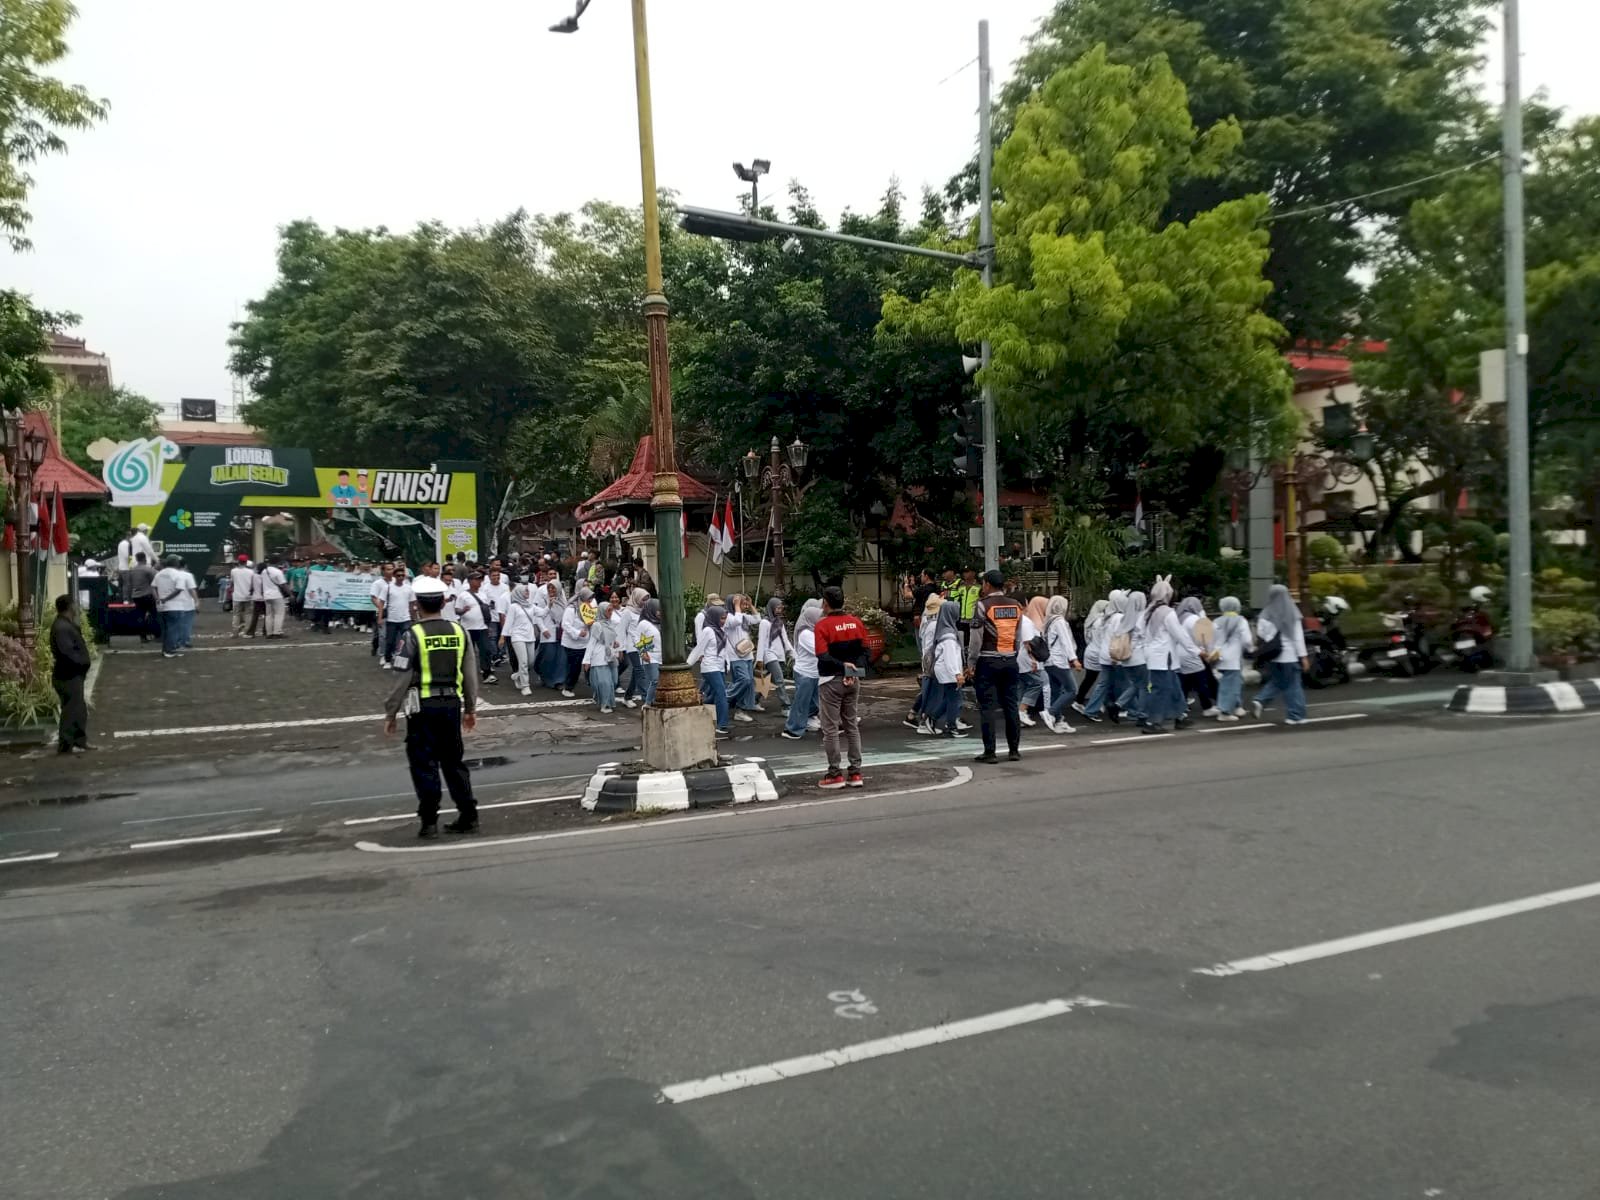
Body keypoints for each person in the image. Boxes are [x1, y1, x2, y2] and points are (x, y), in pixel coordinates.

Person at [383, 575, 479, 838]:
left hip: (422, 709)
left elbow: (401, 678)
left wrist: (391, 713)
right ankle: (468, 815)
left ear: (416, 605)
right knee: (454, 762)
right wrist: (470, 709)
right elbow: (470, 675)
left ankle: (429, 822)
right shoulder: (459, 632)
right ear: (444, 602)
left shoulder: (411, 635)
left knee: (424, 764)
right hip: (451, 705)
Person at [813, 587, 869, 789]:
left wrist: (842, 667)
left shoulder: (822, 625)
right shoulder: (856, 622)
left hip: (830, 680)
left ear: (825, 603)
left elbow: (822, 655)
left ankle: (834, 774)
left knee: (830, 729)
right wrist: (852, 670)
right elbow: (866, 651)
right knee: (851, 725)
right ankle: (855, 772)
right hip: (853, 680)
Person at [1140, 574, 1201, 734]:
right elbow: (1180, 635)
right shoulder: (1168, 613)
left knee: (1174, 687)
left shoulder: (1148, 611)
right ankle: (1153, 722)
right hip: (1164, 657)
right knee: (1161, 689)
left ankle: (1180, 716)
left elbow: (1140, 632)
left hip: (1154, 656)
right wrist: (1197, 651)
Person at [1252, 584, 1309, 725]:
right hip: (1289, 656)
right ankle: (1295, 716)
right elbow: (1298, 638)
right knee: (1293, 686)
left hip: (1273, 656)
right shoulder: (1292, 613)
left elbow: (1261, 634)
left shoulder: (1265, 613)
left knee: (1278, 681)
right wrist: (1303, 657)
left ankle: (1260, 700)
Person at [49, 595, 91, 753]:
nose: (77, 607)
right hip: (68, 675)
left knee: (78, 708)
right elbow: (67, 653)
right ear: (70, 606)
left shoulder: (65, 625)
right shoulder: (62, 627)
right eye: (74, 604)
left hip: (72, 674)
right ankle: (66, 744)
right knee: (71, 710)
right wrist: (81, 664)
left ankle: (79, 741)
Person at [687, 602, 732, 737]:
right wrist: (687, 665)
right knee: (721, 694)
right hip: (710, 666)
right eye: (722, 618)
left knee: (713, 695)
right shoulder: (708, 631)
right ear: (714, 617)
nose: (724, 621)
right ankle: (722, 725)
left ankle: (695, 712)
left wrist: (727, 664)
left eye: (725, 618)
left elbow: (725, 649)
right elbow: (698, 649)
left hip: (719, 666)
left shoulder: (722, 630)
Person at [781, 600, 824, 740]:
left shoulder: (814, 631)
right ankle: (792, 729)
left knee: (815, 701)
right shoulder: (805, 633)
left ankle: (807, 720)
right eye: (818, 618)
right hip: (805, 673)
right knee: (801, 702)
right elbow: (819, 650)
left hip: (815, 672)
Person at [928, 599, 968, 738]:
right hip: (948, 671)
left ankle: (932, 718)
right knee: (954, 699)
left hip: (945, 670)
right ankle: (951, 726)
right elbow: (950, 657)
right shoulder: (949, 635)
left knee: (950, 697)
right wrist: (957, 674)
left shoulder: (944, 630)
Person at [1041, 595, 1081, 734]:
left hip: (1048, 661)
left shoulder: (1048, 621)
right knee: (1072, 690)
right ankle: (1050, 713)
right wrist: (1074, 659)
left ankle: (1059, 721)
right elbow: (1066, 641)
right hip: (1058, 661)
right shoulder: (1059, 622)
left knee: (1056, 691)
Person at [907, 591, 945, 732]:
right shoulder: (934, 624)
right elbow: (931, 647)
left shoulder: (927, 620)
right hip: (932, 660)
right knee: (931, 690)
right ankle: (925, 719)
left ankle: (915, 714)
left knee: (929, 690)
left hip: (929, 660)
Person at [1212, 596, 1255, 721]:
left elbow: (1211, 639)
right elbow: (1247, 640)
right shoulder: (1241, 620)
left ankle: (1237, 706)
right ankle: (1224, 712)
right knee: (1230, 685)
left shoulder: (1216, 621)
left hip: (1219, 656)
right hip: (1234, 658)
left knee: (1232, 682)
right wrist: (1251, 649)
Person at [1176, 595, 1219, 717]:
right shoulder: (1195, 619)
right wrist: (1209, 653)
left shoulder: (1179, 618)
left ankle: (1181, 708)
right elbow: (1204, 638)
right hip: (1193, 654)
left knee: (1184, 682)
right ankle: (1207, 707)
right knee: (1201, 681)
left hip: (1178, 655)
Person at [455, 571, 498, 683]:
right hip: (468, 628)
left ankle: (487, 673)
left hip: (482, 627)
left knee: (486, 651)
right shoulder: (463, 595)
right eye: (476, 579)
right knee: (467, 652)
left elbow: (487, 610)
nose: (479, 581)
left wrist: (488, 625)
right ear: (470, 581)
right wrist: (463, 610)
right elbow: (457, 610)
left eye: (480, 579)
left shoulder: (483, 594)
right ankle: (464, 674)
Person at [153, 554, 197, 658]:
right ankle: (170, 650)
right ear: (176, 563)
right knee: (173, 629)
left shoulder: (159, 574)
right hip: (175, 606)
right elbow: (179, 589)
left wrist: (157, 598)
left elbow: (153, 587)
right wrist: (166, 598)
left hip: (161, 607)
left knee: (165, 630)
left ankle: (165, 650)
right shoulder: (178, 574)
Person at [725, 594, 760, 721]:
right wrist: (736, 605)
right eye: (741, 603)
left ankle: (741, 710)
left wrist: (751, 605)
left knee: (749, 683)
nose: (743, 606)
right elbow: (737, 621)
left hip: (747, 654)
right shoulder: (728, 617)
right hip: (735, 656)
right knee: (744, 680)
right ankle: (723, 696)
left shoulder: (743, 616)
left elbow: (757, 619)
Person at [1017, 595, 1050, 728]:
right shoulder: (1026, 621)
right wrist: (1033, 660)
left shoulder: (1018, 619)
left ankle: (1019, 714)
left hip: (1018, 657)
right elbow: (1028, 642)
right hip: (1025, 658)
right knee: (1037, 683)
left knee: (1021, 685)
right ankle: (1022, 711)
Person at [584, 597, 622, 713]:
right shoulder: (597, 625)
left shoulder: (610, 623)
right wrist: (587, 660)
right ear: (602, 611)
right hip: (599, 656)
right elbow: (591, 642)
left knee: (613, 681)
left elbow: (611, 638)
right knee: (604, 682)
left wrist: (615, 644)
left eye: (611, 610)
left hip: (610, 655)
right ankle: (604, 704)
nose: (610, 613)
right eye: (608, 611)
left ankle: (605, 699)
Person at [500, 583, 539, 696]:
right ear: (519, 593)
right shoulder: (513, 607)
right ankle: (525, 686)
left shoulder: (531, 605)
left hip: (530, 636)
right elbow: (508, 623)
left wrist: (550, 605)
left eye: (528, 590)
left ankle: (517, 675)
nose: (528, 592)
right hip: (517, 637)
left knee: (530, 662)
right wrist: (503, 637)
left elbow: (542, 612)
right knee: (523, 662)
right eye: (525, 590)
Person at [758, 596, 794, 711]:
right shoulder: (764, 622)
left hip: (780, 655)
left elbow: (785, 640)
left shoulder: (779, 622)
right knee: (779, 680)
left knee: (768, 681)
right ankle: (786, 706)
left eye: (781, 608)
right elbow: (761, 641)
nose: (779, 610)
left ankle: (753, 700)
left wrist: (793, 655)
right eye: (777, 608)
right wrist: (759, 659)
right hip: (769, 655)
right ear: (772, 607)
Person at [560, 585, 593, 697]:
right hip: (572, 644)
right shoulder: (571, 609)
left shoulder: (588, 609)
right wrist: (578, 632)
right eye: (589, 598)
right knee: (574, 667)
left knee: (589, 664)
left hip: (585, 643)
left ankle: (592, 683)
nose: (590, 601)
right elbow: (565, 625)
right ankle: (568, 687)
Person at [379, 565, 415, 669]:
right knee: (390, 641)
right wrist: (380, 618)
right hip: (392, 619)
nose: (401, 577)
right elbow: (381, 603)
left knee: (406, 642)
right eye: (398, 575)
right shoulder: (388, 587)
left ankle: (405, 660)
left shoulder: (409, 588)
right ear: (394, 576)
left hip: (405, 619)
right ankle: (388, 660)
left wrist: (413, 618)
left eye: (402, 575)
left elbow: (412, 604)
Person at [633, 598, 662, 706]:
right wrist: (642, 653)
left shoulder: (659, 623)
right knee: (654, 680)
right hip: (650, 656)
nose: (660, 613)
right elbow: (637, 639)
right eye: (658, 610)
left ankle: (654, 701)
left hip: (661, 656)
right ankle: (648, 703)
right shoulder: (644, 624)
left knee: (660, 681)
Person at [128, 552, 157, 643]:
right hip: (148, 594)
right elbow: (156, 581)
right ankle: (155, 634)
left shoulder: (132, 570)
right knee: (154, 615)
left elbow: (129, 584)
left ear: (137, 559)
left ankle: (142, 636)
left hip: (136, 596)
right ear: (145, 559)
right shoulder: (148, 569)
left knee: (140, 616)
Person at [946, 567, 981, 639]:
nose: (965, 574)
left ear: (973, 573)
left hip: (974, 619)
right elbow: (956, 600)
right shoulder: (960, 587)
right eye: (964, 572)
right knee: (962, 639)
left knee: (973, 640)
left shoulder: (979, 587)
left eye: (967, 572)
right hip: (961, 618)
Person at [261, 557, 289, 638]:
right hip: (276, 595)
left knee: (269, 615)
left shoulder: (264, 571)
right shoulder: (278, 572)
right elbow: (283, 584)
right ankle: (277, 632)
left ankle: (269, 633)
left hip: (266, 595)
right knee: (279, 614)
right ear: (278, 563)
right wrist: (290, 594)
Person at [228, 554, 254, 639]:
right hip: (248, 595)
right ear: (246, 562)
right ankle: (246, 631)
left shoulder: (233, 571)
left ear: (238, 562)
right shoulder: (251, 572)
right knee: (248, 614)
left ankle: (235, 632)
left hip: (237, 596)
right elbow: (252, 585)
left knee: (236, 614)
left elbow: (232, 583)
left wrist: (230, 589)